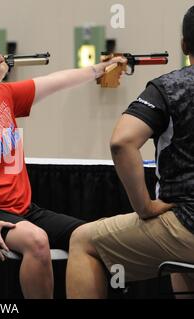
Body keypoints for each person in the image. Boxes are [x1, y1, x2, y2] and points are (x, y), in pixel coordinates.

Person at [0, 26, 125, 299]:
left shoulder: (2, 95)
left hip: (22, 211)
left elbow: (56, 81)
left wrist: (99, 69)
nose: (1, 58)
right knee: (37, 241)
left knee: (91, 237)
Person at [66, 6, 194, 299]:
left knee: (83, 242)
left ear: (184, 45)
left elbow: (122, 142)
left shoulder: (169, 88)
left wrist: (145, 207)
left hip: (187, 223)